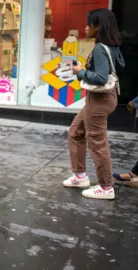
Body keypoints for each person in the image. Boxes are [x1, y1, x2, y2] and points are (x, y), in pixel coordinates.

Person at [63, 8, 125, 199]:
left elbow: (99, 77)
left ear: (98, 27)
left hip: (99, 100)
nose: (85, 27)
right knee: (76, 132)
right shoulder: (111, 45)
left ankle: (106, 187)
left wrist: (80, 72)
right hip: (104, 98)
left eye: (89, 23)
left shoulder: (100, 48)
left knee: (97, 142)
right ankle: (80, 175)